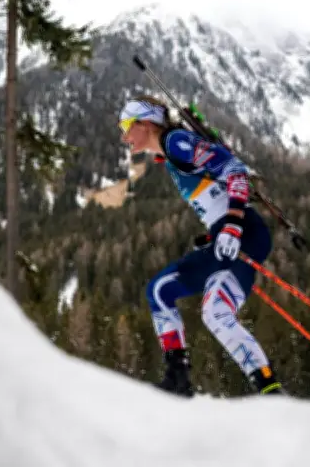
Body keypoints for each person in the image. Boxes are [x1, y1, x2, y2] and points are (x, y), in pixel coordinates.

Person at [118, 96, 283, 397]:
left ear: (145, 123)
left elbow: (235, 172)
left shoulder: (175, 142)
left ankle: (270, 393)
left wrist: (231, 226)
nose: (123, 136)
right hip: (227, 235)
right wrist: (217, 232)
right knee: (165, 292)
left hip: (245, 232)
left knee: (211, 310)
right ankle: (179, 379)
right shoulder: (170, 153)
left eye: (126, 125)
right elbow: (217, 188)